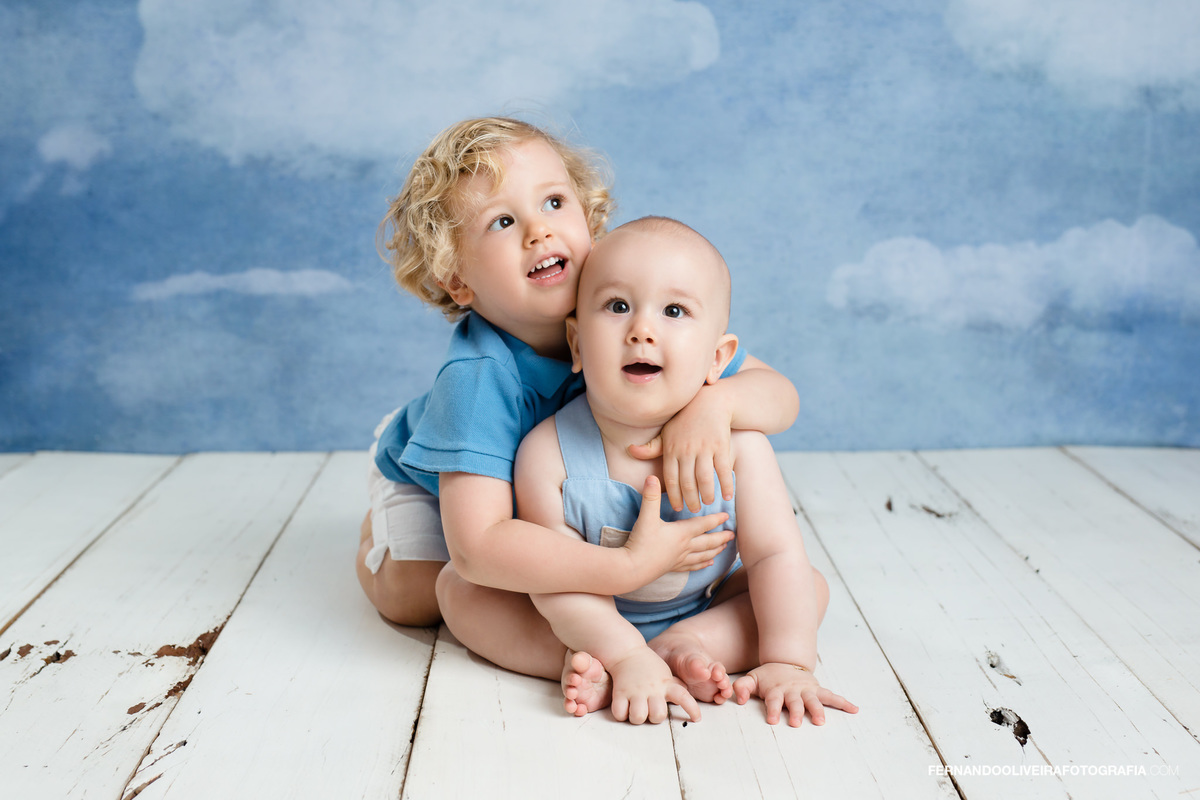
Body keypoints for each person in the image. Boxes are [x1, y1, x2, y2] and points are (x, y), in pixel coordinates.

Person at [356, 118, 801, 690]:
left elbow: (780, 396)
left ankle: (631, 640)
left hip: (548, 491)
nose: (539, 232)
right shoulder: (476, 380)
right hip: (450, 487)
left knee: (550, 555)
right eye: (503, 221)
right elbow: (481, 545)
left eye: (554, 202)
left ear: (587, 217)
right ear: (459, 280)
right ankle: (378, 538)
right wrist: (627, 567)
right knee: (421, 593)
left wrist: (715, 408)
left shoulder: (627, 300)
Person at [513, 217, 858, 726]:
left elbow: (772, 555)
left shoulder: (742, 448)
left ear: (718, 358)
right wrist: (623, 648)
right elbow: (552, 581)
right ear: (578, 344)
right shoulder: (548, 454)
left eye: (674, 311)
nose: (642, 330)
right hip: (579, 618)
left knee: (806, 584)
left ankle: (683, 644)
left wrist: (788, 660)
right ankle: (608, 661)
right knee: (463, 595)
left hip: (704, 606)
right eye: (617, 306)